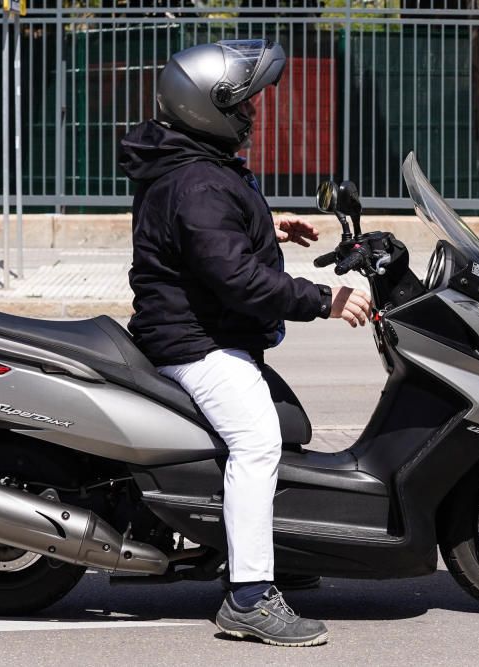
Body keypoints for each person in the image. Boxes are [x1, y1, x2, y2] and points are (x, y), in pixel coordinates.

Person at [118, 39, 371, 646]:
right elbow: (235, 279)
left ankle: (270, 545)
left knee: (285, 428)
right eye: (244, 104)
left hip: (198, 330)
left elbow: (210, 234)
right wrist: (324, 300)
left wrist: (267, 222)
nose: (253, 114)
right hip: (195, 342)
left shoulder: (191, 162)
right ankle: (250, 598)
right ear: (210, 108)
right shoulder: (198, 181)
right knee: (257, 441)